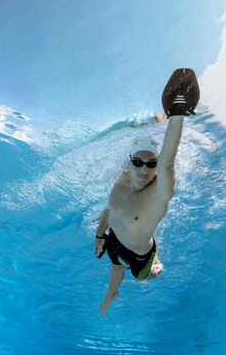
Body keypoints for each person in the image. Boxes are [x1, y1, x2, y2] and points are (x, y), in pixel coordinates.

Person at [94, 68, 199, 315]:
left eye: (151, 164)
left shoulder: (158, 195)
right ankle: (112, 293)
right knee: (116, 268)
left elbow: (167, 161)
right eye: (138, 163)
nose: (143, 170)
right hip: (114, 242)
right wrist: (99, 234)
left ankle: (156, 261)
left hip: (140, 256)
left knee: (145, 277)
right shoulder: (121, 180)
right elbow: (110, 209)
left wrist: (177, 114)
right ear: (129, 163)